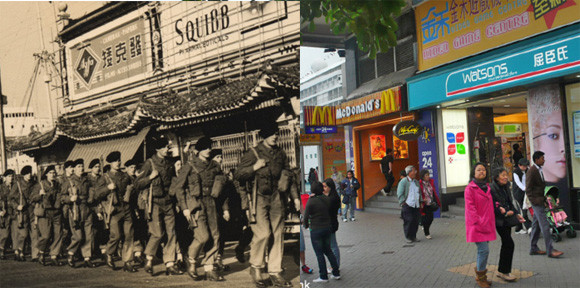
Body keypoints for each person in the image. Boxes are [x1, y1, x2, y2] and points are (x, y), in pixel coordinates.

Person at [235, 122, 299, 288]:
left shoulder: (281, 153)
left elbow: (288, 175)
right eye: (271, 134)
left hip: (277, 197)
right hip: (258, 198)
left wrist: (296, 197)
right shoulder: (253, 153)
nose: (275, 137)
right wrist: (254, 167)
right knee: (263, 233)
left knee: (278, 234)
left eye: (276, 134)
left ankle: (275, 271)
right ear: (264, 136)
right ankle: (256, 267)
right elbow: (238, 174)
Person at [172, 137, 225, 281]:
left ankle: (209, 268)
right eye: (204, 148)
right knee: (203, 236)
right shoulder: (189, 166)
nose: (208, 150)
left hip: (211, 202)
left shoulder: (215, 165)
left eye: (209, 147)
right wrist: (184, 208)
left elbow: (221, 184)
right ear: (197, 151)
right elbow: (179, 188)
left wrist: (224, 207)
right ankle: (192, 259)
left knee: (215, 236)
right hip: (196, 204)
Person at [136, 135, 183, 276]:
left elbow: (173, 181)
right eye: (163, 147)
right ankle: (149, 259)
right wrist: (150, 177)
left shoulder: (168, 163)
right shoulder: (149, 163)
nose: (166, 149)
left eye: (167, 147)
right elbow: (137, 184)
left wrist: (176, 200)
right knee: (157, 233)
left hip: (168, 202)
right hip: (154, 202)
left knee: (171, 232)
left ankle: (170, 263)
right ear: (157, 149)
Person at [96, 151, 137, 272]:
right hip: (114, 210)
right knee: (116, 235)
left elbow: (134, 188)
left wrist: (132, 189)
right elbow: (97, 194)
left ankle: (128, 262)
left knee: (129, 235)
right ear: (110, 163)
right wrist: (107, 188)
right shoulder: (105, 177)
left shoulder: (125, 176)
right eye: (115, 161)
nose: (118, 163)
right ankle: (109, 253)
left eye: (119, 160)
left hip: (127, 208)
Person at [490, 168, 525, 282]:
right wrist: (504, 212)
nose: (506, 177)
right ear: (496, 177)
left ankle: (502, 270)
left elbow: (510, 202)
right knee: (509, 244)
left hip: (507, 220)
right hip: (499, 221)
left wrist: (516, 214)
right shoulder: (492, 188)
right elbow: (493, 206)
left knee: (506, 244)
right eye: (503, 175)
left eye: (506, 175)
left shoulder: (506, 186)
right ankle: (504, 272)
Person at [526, 151, 563, 258]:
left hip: (540, 200)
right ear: (536, 160)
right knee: (545, 226)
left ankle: (533, 248)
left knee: (536, 226)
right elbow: (528, 189)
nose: (544, 160)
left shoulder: (539, 169)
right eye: (542, 158)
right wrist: (534, 201)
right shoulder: (532, 171)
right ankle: (550, 250)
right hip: (536, 203)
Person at [464, 163, 496, 288]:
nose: (482, 172)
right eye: (479, 170)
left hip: (487, 224)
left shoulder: (487, 187)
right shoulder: (470, 188)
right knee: (484, 250)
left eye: (483, 170)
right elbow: (470, 208)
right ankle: (480, 278)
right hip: (477, 225)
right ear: (473, 173)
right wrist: (478, 221)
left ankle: (481, 276)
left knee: (482, 251)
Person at [61, 159, 96, 268]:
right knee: (78, 236)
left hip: (86, 209)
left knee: (88, 235)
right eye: (79, 166)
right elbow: (61, 197)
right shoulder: (69, 182)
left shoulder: (86, 180)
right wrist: (70, 198)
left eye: (82, 166)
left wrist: (91, 198)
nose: (81, 168)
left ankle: (87, 258)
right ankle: (70, 254)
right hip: (75, 210)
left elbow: (91, 190)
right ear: (74, 169)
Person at [303, 182, 340, 283]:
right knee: (328, 251)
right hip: (327, 228)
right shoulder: (327, 199)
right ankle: (336, 273)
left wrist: (306, 225)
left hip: (316, 229)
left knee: (319, 253)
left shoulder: (311, 201)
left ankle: (323, 276)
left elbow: (305, 216)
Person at [30, 165, 64, 266]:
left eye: (54, 173)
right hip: (45, 213)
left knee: (58, 234)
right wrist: (39, 194)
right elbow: (31, 199)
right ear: (46, 174)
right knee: (46, 235)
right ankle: (41, 252)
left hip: (56, 212)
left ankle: (54, 255)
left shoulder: (57, 184)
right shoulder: (40, 185)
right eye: (50, 173)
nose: (52, 175)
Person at [9, 166, 35, 262]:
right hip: (21, 212)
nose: (29, 175)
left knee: (30, 234)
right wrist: (16, 206)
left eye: (30, 173)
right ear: (23, 175)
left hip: (31, 212)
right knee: (23, 234)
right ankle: (19, 250)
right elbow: (10, 199)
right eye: (27, 174)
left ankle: (24, 252)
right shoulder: (18, 184)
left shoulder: (33, 184)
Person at [397, 166, 421, 243]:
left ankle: (413, 236)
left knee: (415, 221)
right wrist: (402, 202)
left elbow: (419, 193)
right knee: (409, 221)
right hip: (407, 205)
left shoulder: (416, 182)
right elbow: (400, 193)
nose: (415, 172)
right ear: (409, 172)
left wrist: (420, 201)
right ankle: (408, 236)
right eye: (414, 171)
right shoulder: (404, 181)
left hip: (416, 205)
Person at [322, 178, 341, 269]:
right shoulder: (330, 196)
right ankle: (334, 265)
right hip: (329, 223)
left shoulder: (333, 198)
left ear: (330, 187)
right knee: (331, 245)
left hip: (331, 223)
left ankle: (335, 265)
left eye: (325, 186)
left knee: (333, 245)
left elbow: (327, 208)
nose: (323, 188)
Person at [418, 169, 441, 240]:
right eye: (426, 175)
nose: (428, 176)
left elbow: (433, 192)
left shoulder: (431, 182)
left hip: (430, 202)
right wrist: (421, 200)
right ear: (422, 176)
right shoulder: (419, 184)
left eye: (428, 175)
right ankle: (427, 233)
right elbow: (418, 193)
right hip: (424, 204)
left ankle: (423, 225)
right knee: (427, 218)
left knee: (430, 219)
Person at [512, 158, 531, 234]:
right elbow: (518, 183)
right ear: (519, 165)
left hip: (526, 192)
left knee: (525, 209)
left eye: (526, 166)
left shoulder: (528, 170)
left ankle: (521, 227)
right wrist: (525, 188)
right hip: (518, 193)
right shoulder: (515, 172)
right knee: (522, 210)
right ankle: (525, 227)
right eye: (523, 166)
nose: (525, 168)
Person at [0, 170, 15, 260]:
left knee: (14, 233)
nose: (11, 178)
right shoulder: (1, 188)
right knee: (4, 234)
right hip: (4, 213)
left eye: (12, 176)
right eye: (9, 176)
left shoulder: (15, 187)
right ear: (4, 178)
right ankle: (1, 249)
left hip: (14, 212)